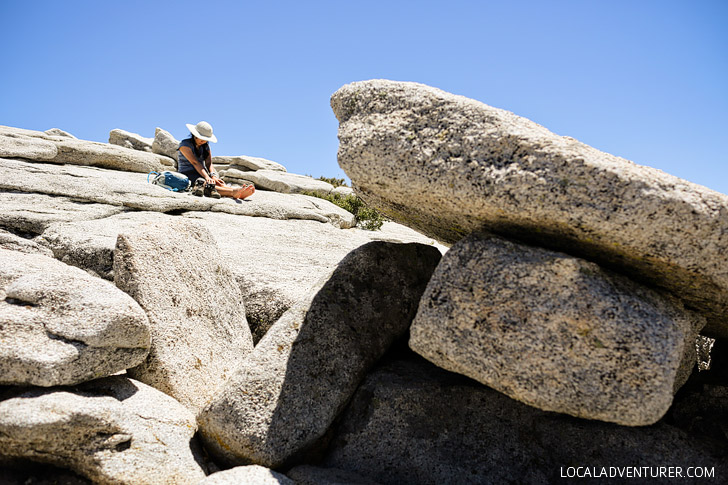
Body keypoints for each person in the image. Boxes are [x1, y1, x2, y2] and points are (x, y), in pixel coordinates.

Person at [177, 121, 255, 199]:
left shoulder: (205, 146)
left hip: (202, 172)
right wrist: (207, 177)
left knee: (217, 183)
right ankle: (233, 192)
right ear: (195, 135)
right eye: (202, 138)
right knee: (205, 183)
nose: (203, 141)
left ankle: (239, 191)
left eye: (205, 139)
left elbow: (209, 163)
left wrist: (213, 176)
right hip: (188, 173)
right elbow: (195, 162)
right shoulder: (185, 145)